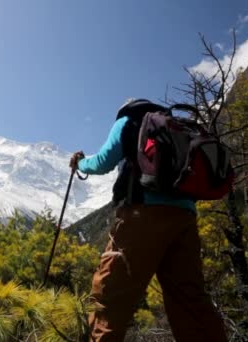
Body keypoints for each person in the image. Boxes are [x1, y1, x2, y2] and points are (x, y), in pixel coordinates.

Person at [69, 99, 227, 341]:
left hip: (142, 215)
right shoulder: (177, 128)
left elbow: (103, 162)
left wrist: (80, 163)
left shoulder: (129, 120)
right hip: (185, 219)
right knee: (190, 299)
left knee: (110, 295)